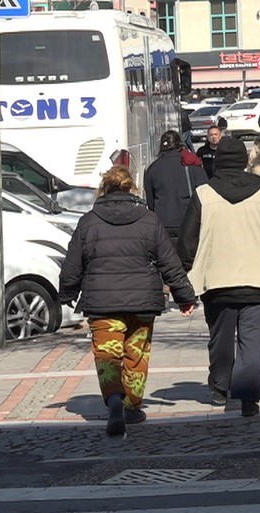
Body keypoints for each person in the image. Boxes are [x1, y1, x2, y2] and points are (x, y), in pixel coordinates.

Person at [58, 165, 197, 437]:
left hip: (102, 304)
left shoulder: (88, 222)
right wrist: (185, 297)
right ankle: (132, 407)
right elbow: (170, 262)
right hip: (142, 301)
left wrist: (67, 293)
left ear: (104, 189)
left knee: (108, 355)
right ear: (131, 188)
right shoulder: (149, 219)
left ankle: (113, 400)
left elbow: (73, 266)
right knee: (137, 354)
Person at [176, 136, 260, 418]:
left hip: (216, 281)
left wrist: (187, 274)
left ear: (217, 162)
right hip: (257, 279)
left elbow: (186, 241)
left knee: (220, 339)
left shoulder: (203, 194)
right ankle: (248, 395)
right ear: (244, 162)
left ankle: (220, 388)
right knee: (252, 344)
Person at [142, 130, 207, 242]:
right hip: (189, 223)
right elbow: (205, 195)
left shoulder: (153, 169)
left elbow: (150, 202)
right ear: (180, 145)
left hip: (163, 223)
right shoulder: (192, 165)